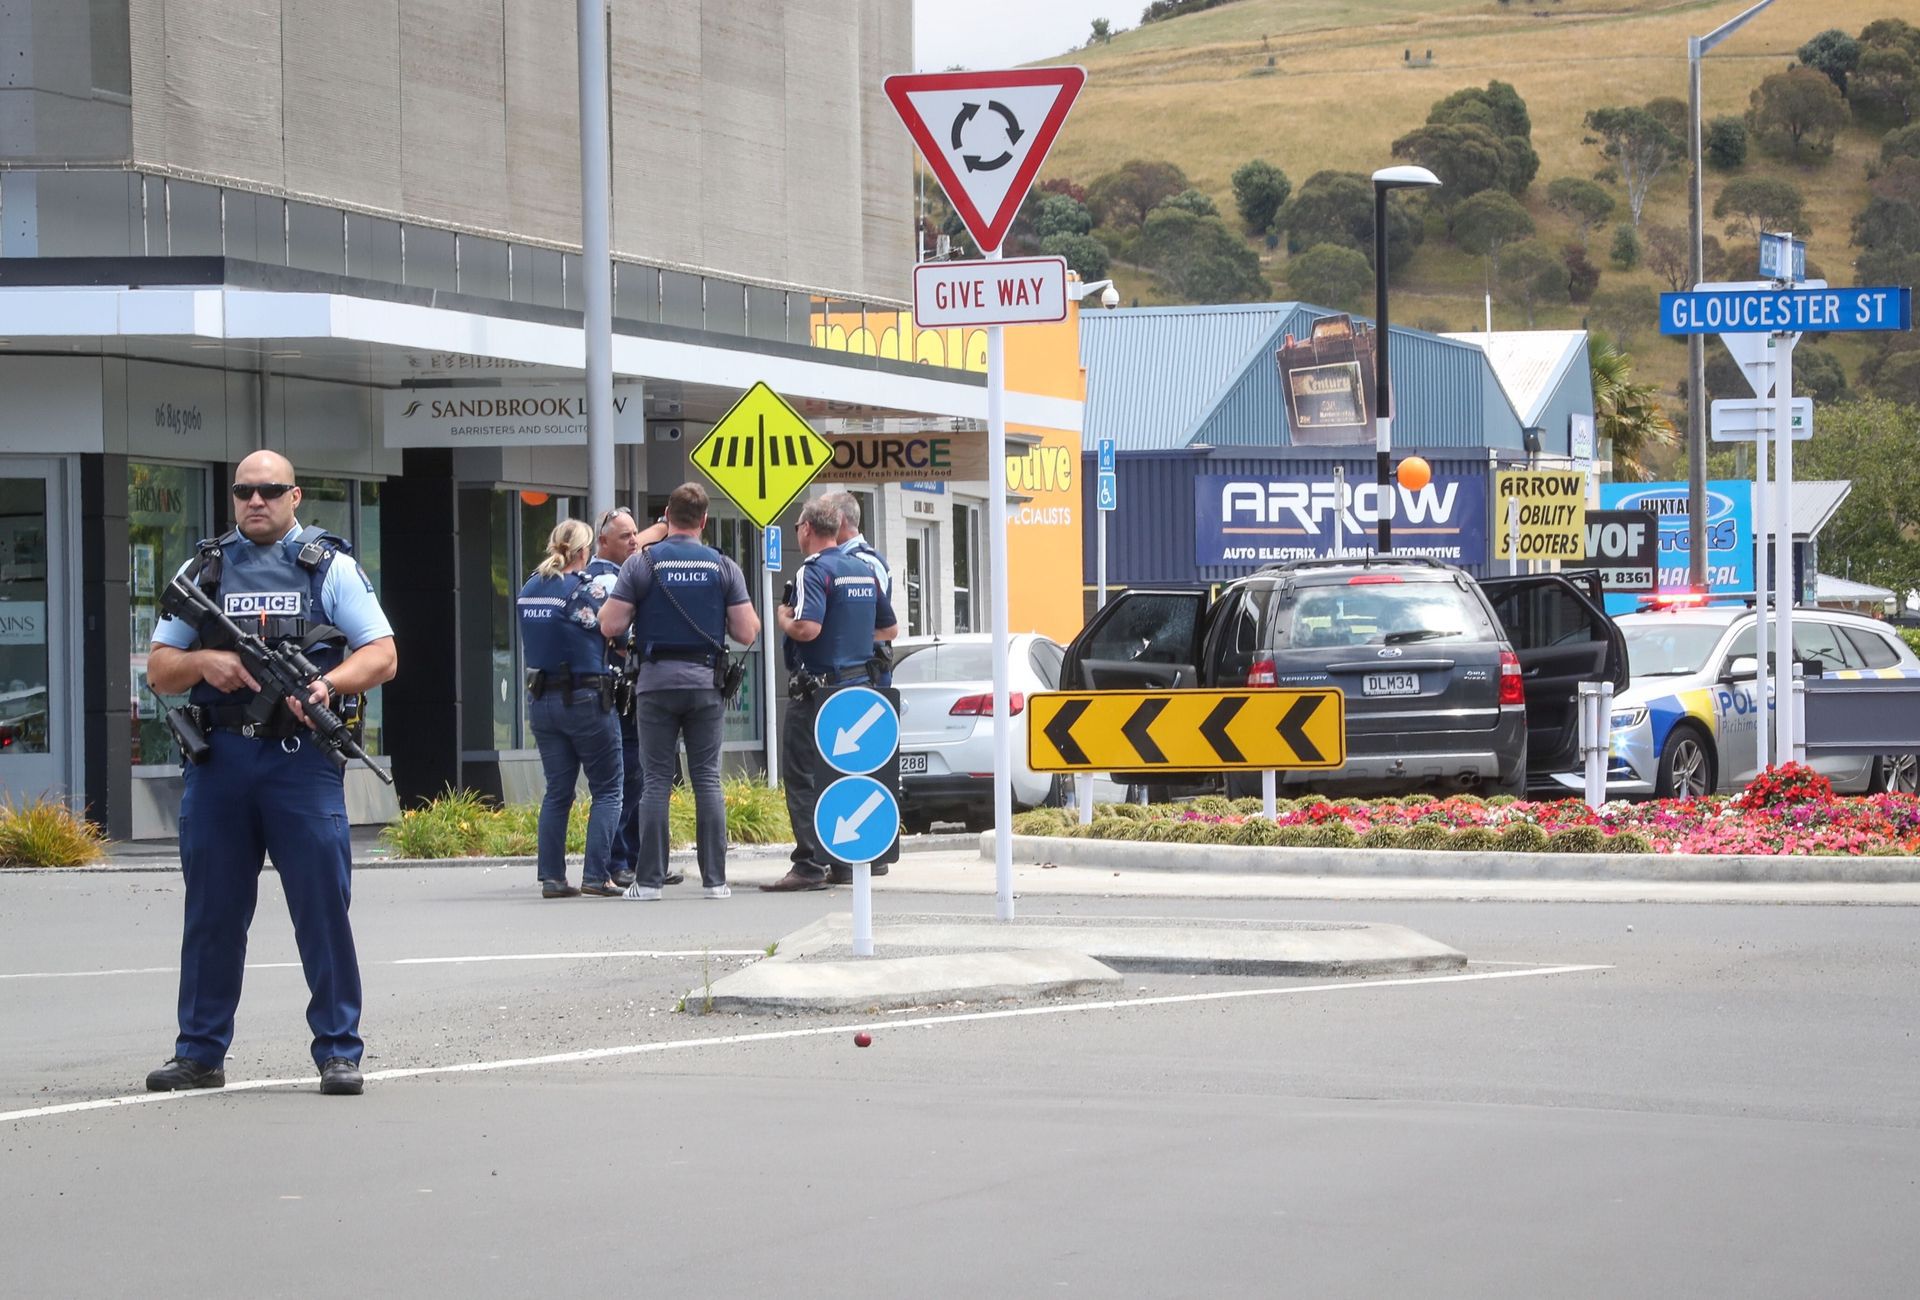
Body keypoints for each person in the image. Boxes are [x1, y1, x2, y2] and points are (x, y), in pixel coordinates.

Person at [143, 450, 397, 1098]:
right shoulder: (205, 568)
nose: (256, 501)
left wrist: (323, 686)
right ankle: (199, 1053)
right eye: (244, 491)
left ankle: (339, 1052)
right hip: (222, 759)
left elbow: (382, 654)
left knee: (322, 910)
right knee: (213, 913)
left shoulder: (328, 566)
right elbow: (160, 669)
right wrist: (206, 662)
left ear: (295, 496)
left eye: (270, 490)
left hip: (299, 761)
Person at [600, 483, 759, 900]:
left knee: (655, 781)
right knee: (706, 779)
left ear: (667, 515)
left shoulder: (642, 564)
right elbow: (746, 631)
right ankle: (715, 882)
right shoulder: (723, 566)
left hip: (654, 685)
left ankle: (649, 882)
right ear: (704, 520)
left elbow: (609, 624)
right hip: (705, 684)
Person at [762, 497, 898, 892]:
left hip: (817, 691)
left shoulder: (814, 571)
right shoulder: (862, 569)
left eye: (797, 529)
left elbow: (808, 629)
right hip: (858, 688)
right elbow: (889, 630)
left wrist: (783, 617)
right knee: (843, 776)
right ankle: (844, 860)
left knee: (803, 775)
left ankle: (808, 863)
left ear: (806, 529)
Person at [518, 518, 624, 898]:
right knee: (609, 788)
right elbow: (618, 634)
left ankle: (552, 877)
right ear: (584, 552)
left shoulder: (530, 588)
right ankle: (597, 876)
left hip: (542, 700)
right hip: (586, 698)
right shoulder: (587, 590)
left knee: (558, 791)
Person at [585, 506, 670, 889]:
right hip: (618, 689)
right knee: (627, 776)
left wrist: (660, 529)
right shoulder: (604, 578)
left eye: (636, 533)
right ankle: (619, 859)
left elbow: (640, 545)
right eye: (625, 536)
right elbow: (618, 637)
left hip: (627, 688)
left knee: (637, 774)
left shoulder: (620, 570)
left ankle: (637, 858)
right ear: (602, 542)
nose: (634, 541)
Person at [822, 490, 895, 878]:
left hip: (866, 673)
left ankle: (873, 851)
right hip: (859, 672)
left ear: (839, 520)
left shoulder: (863, 563)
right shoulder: (853, 560)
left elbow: (880, 623)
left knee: (868, 763)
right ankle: (860, 851)